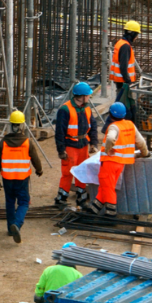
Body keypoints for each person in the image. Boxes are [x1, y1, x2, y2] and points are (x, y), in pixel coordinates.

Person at [85, 101, 148, 217]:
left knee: (108, 188)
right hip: (121, 164)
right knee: (106, 186)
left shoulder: (114, 127)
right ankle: (94, 208)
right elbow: (141, 141)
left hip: (110, 162)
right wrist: (145, 153)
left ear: (110, 115)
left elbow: (110, 138)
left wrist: (108, 149)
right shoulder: (130, 125)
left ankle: (111, 212)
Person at [0, 110, 44, 243]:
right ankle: (17, 224)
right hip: (22, 179)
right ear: (22, 126)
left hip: (7, 178)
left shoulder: (3, 142)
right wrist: (39, 170)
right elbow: (35, 158)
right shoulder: (27, 142)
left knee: (10, 202)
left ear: (11, 125)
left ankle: (10, 229)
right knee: (24, 202)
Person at [54, 81, 99, 209]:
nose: (89, 97)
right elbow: (59, 132)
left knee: (82, 172)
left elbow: (93, 127)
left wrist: (93, 143)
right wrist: (61, 150)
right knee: (68, 173)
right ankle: (61, 199)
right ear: (82, 96)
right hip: (70, 145)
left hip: (83, 145)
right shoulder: (65, 109)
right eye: (88, 95)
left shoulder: (87, 108)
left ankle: (81, 199)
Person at [109, 20, 140, 123]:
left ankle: (119, 123)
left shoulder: (120, 43)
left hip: (119, 81)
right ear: (132, 34)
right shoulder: (125, 46)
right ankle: (121, 124)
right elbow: (123, 66)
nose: (137, 37)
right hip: (123, 82)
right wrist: (128, 81)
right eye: (136, 34)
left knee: (120, 104)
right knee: (123, 106)